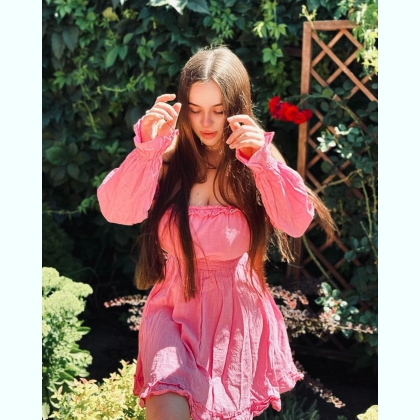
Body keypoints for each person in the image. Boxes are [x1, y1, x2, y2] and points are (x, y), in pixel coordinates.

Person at [97, 46, 334, 420]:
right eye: (195, 109)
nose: (206, 122)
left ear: (236, 107)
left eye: (218, 110)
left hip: (233, 317)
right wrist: (146, 150)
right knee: (166, 403)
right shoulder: (168, 155)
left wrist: (262, 163)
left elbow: (295, 222)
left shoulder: (256, 157)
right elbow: (117, 211)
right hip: (172, 308)